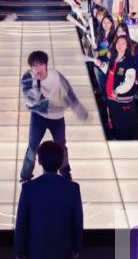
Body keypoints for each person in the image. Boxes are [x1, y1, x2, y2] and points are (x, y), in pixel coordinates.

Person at [14, 141, 83, 259]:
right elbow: (77, 221)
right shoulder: (72, 188)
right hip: (62, 250)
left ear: (39, 160)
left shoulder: (29, 188)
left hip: (36, 251)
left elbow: (22, 223)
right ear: (61, 162)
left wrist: (19, 250)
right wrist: (77, 246)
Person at [20, 51, 89, 182]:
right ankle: (25, 176)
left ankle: (65, 173)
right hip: (38, 116)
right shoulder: (28, 78)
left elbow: (69, 92)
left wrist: (77, 107)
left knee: (61, 146)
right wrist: (36, 84)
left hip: (57, 118)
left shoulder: (56, 77)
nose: (37, 69)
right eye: (34, 66)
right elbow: (30, 102)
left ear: (46, 65)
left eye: (40, 65)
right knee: (32, 146)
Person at [94, 35, 138, 140]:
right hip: (111, 97)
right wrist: (100, 65)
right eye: (118, 43)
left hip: (122, 101)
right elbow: (110, 72)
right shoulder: (114, 58)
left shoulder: (129, 62)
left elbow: (129, 82)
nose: (120, 45)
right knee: (113, 122)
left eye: (123, 43)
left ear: (127, 46)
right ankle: (115, 138)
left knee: (122, 126)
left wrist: (117, 91)